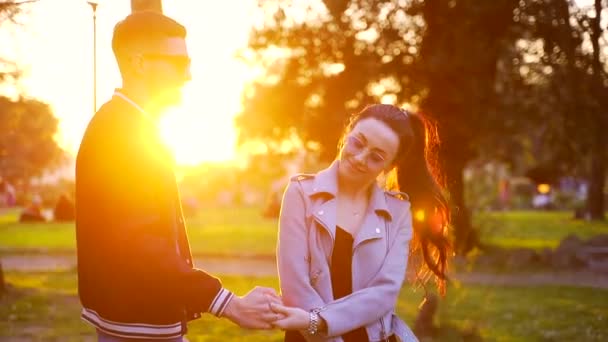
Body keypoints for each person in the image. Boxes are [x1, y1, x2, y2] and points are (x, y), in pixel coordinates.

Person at [75, 11, 280, 341]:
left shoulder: (136, 127)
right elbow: (139, 242)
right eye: (178, 62)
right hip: (136, 325)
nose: (188, 75)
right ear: (140, 62)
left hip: (147, 320)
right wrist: (228, 304)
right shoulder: (119, 133)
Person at [270, 104, 451, 341]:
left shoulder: (398, 213)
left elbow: (383, 294)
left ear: (389, 166)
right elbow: (296, 287)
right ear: (347, 134)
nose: (359, 158)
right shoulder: (300, 193)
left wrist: (320, 320)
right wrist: (319, 326)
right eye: (357, 142)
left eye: (376, 157)